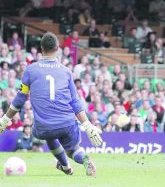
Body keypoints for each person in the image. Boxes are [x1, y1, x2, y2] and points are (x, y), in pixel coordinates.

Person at [0, 32, 103, 176]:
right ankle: (84, 159)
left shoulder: (30, 70)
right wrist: (87, 124)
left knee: (50, 133)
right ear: (57, 49)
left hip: (43, 127)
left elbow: (20, 99)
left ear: (41, 48)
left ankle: (66, 167)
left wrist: (4, 120)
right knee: (72, 150)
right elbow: (75, 102)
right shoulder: (66, 72)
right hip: (67, 123)